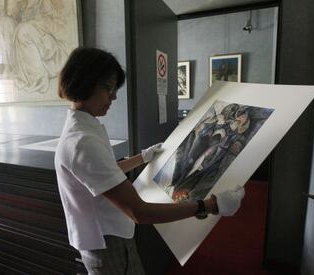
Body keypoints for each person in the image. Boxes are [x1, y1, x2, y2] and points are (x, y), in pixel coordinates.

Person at [54, 47, 245, 275]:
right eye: (108, 88)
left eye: (114, 89)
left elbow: (104, 174)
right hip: (107, 243)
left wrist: (142, 157)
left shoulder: (84, 127)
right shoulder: (83, 141)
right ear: (84, 82)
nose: (114, 96)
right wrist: (209, 206)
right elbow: (139, 212)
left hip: (111, 235)